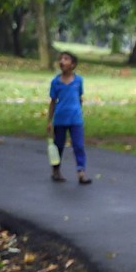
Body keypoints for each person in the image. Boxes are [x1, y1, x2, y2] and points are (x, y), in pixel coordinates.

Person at [48, 51, 90, 185]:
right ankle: (56, 170)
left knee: (78, 145)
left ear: (73, 64)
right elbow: (53, 101)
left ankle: (81, 172)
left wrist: (78, 112)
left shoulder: (78, 81)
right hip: (60, 119)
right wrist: (49, 121)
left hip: (75, 119)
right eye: (60, 59)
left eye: (66, 59)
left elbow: (79, 98)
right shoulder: (56, 82)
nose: (62, 61)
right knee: (58, 146)